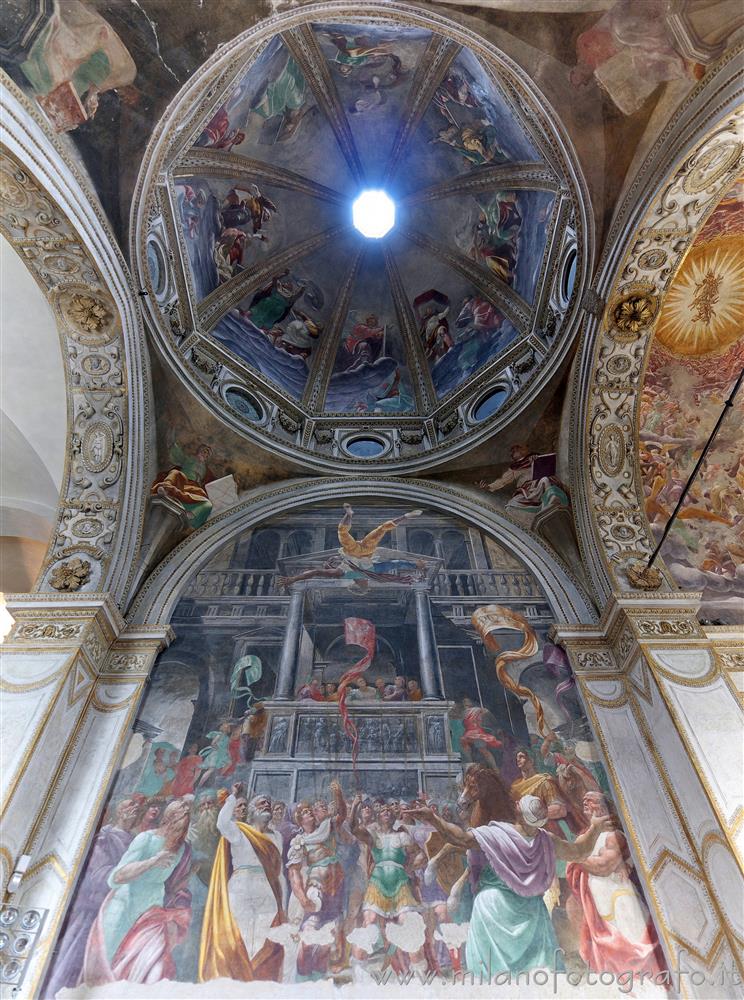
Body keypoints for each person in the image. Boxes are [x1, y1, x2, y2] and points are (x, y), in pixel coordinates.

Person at [405, 794, 614, 976]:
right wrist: (595, 828)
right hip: (532, 914)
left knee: (494, 979)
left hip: (493, 908)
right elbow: (579, 852)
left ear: (517, 810)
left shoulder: (497, 834)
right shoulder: (546, 840)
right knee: (540, 975)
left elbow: (459, 839)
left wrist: (433, 818)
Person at [83, 798, 193, 985]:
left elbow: (172, 882)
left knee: (149, 967)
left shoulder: (181, 848)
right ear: (169, 818)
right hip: (125, 905)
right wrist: (152, 862)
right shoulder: (146, 839)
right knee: (112, 965)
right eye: (179, 819)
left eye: (186, 821)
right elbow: (117, 877)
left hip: (152, 910)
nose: (183, 826)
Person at [46, 798, 142, 994]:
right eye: (128, 805)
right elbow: (97, 874)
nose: (133, 809)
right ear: (118, 812)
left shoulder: (133, 840)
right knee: (75, 960)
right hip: (92, 911)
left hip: (118, 910)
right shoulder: (105, 839)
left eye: (136, 807)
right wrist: (121, 876)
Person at [566, 793, 667, 977]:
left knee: (635, 948)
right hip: (600, 903)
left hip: (620, 901)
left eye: (591, 800)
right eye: (584, 800)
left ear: (604, 807)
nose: (585, 802)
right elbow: (582, 855)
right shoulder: (588, 836)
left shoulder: (614, 835)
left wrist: (575, 856)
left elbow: (603, 866)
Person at [199, 785, 286, 982]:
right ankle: (241, 980)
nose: (267, 806)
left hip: (267, 886)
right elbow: (222, 823)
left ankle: (257, 980)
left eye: (269, 804)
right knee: (243, 933)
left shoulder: (276, 836)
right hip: (241, 886)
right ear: (252, 810)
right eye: (262, 803)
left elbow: (277, 869)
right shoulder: (239, 830)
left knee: (265, 937)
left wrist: (282, 900)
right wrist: (233, 797)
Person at [349, 799, 427, 975]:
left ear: (393, 817)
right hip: (377, 884)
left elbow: (422, 855)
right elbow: (354, 828)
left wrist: (409, 867)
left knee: (409, 926)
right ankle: (359, 975)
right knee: (368, 924)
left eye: (389, 810)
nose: (385, 811)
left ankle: (420, 977)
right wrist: (355, 805)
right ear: (378, 816)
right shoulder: (374, 836)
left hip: (400, 885)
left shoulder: (402, 836)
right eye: (382, 810)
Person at [287, 784, 347, 977]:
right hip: (316, 885)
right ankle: (302, 970)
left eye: (310, 810)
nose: (309, 813)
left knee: (331, 929)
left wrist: (338, 793)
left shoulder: (326, 828)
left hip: (336, 885)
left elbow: (342, 814)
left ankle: (318, 974)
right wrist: (303, 898)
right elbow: (294, 872)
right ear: (299, 819)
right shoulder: (299, 841)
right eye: (305, 812)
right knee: (312, 927)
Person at [477, 445, 569, 516]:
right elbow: (502, 481)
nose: (515, 451)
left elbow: (547, 468)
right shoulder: (514, 468)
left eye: (518, 448)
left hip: (539, 484)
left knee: (544, 480)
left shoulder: (535, 457)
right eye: (513, 451)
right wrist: (489, 487)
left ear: (525, 450)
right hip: (526, 490)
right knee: (511, 505)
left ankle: (552, 498)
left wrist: (536, 460)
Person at [151, 440, 215, 529]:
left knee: (208, 504)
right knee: (175, 472)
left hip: (195, 489)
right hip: (182, 482)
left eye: (207, 455)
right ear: (199, 451)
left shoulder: (205, 470)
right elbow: (177, 454)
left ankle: (191, 514)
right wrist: (173, 440)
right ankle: (165, 488)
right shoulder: (189, 458)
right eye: (204, 452)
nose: (205, 455)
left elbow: (211, 481)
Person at [460, 697, 502, 770]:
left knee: (483, 750)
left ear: (470, 703)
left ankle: (495, 767)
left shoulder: (475, 710)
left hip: (476, 733)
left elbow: (487, 712)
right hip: (469, 734)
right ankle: (471, 763)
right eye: (464, 703)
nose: (466, 704)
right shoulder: (466, 712)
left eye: (467, 702)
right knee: (464, 743)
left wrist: (494, 723)